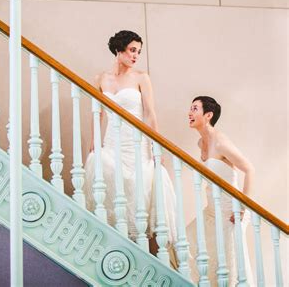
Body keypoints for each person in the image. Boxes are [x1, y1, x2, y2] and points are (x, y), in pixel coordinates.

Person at [83, 30, 177, 254]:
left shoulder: (141, 77)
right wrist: (94, 139)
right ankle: (113, 246)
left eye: (138, 52)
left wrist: (156, 147)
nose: (135, 56)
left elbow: (150, 114)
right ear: (119, 49)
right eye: (132, 50)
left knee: (139, 190)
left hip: (135, 143)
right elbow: (98, 113)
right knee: (109, 186)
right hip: (112, 143)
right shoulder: (101, 78)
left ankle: (140, 250)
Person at [186, 96, 254, 286]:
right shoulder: (201, 143)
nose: (189, 113)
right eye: (190, 108)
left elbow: (249, 169)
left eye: (194, 109)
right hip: (211, 210)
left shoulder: (221, 142)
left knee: (230, 263)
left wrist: (242, 208)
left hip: (230, 212)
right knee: (189, 244)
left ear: (208, 115)